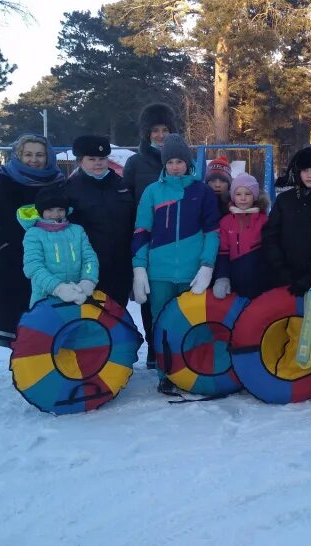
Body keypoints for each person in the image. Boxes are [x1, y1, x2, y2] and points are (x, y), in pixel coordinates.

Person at [131, 134, 221, 393]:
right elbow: (141, 231)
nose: (175, 166)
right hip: (159, 273)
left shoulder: (201, 192)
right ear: (164, 163)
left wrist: (207, 266)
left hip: (192, 273)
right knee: (162, 324)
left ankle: (192, 370)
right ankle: (165, 374)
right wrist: (139, 268)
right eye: (170, 161)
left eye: (179, 161)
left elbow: (212, 232)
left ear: (188, 162)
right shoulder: (152, 192)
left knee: (192, 324)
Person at [0, 133, 65, 348]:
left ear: (48, 157)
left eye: (39, 155)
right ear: (19, 155)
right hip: (13, 257)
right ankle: (23, 365)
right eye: (28, 154)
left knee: (49, 316)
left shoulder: (57, 180)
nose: (34, 160)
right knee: (17, 316)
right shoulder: (6, 179)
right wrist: (1, 243)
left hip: (50, 258)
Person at [123, 102, 178, 368]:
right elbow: (127, 201)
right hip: (148, 240)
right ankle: (155, 349)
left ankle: (176, 347)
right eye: (154, 130)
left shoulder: (181, 162)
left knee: (176, 294)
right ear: (146, 133)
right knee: (150, 296)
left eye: (165, 129)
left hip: (179, 241)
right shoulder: (135, 163)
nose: (160, 135)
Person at [65, 135, 135, 307]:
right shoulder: (69, 189)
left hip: (121, 266)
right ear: (81, 161)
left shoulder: (121, 184)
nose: (98, 163)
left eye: (102, 158)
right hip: (88, 270)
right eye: (92, 159)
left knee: (117, 316)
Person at [263, 146, 311, 296]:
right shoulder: (284, 200)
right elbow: (270, 235)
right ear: (298, 172)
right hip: (281, 276)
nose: (309, 175)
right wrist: (279, 268)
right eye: (305, 170)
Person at [20, 185, 99, 308]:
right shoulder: (34, 234)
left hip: (79, 298)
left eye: (60, 209)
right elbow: (33, 267)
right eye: (50, 210)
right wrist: (58, 288)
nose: (56, 214)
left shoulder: (77, 231)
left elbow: (89, 258)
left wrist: (88, 281)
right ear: (41, 211)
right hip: (45, 301)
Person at [212, 173, 270, 300]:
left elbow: (270, 251)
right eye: (238, 194)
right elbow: (223, 253)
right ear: (233, 196)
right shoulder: (225, 222)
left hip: (259, 282)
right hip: (234, 282)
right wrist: (222, 277)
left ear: (255, 196)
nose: (243, 198)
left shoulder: (264, 220)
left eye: (248, 194)